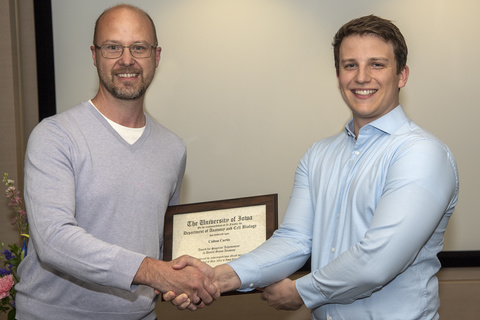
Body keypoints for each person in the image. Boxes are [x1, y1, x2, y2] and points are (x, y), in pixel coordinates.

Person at [167, 15, 459, 319]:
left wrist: (301, 292)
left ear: (402, 75)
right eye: (350, 65)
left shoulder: (422, 153)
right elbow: (293, 241)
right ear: (338, 75)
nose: (361, 77)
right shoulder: (319, 155)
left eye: (377, 64)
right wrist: (218, 277)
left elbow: (377, 261)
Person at [16, 4, 218, 320]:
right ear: (95, 56)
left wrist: (181, 282)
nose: (127, 60)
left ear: (157, 56)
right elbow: (52, 240)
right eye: (113, 47)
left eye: (139, 47)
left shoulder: (173, 149)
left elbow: (162, 248)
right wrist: (155, 272)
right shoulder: (54, 136)